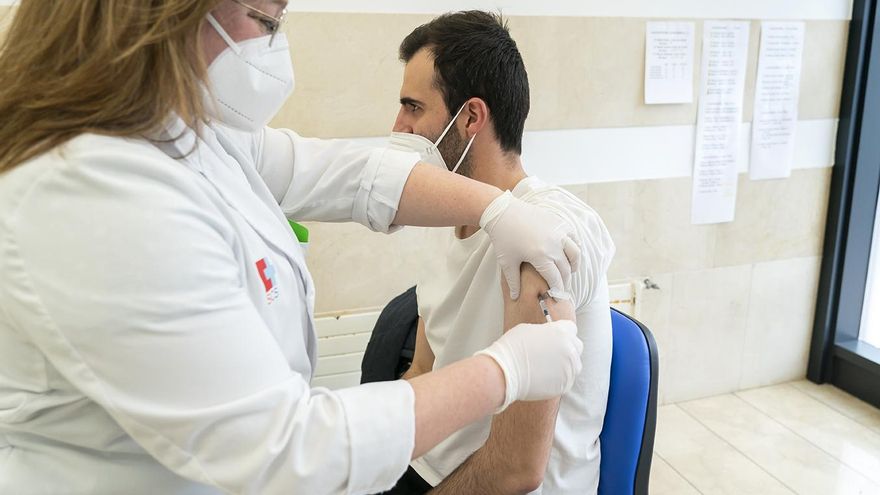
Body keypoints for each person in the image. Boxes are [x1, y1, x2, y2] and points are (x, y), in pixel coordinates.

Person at [0, 2, 588, 494]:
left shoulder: (187, 131)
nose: (274, 46)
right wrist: (506, 370)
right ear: (168, 16)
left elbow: (343, 173)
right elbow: (287, 449)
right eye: (266, 20)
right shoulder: (90, 189)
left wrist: (494, 209)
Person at [385, 11, 616, 494]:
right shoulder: (448, 216)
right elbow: (424, 369)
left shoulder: (548, 234)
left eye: (413, 107)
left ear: (470, 117)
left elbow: (516, 469)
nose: (398, 126)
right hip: (433, 466)